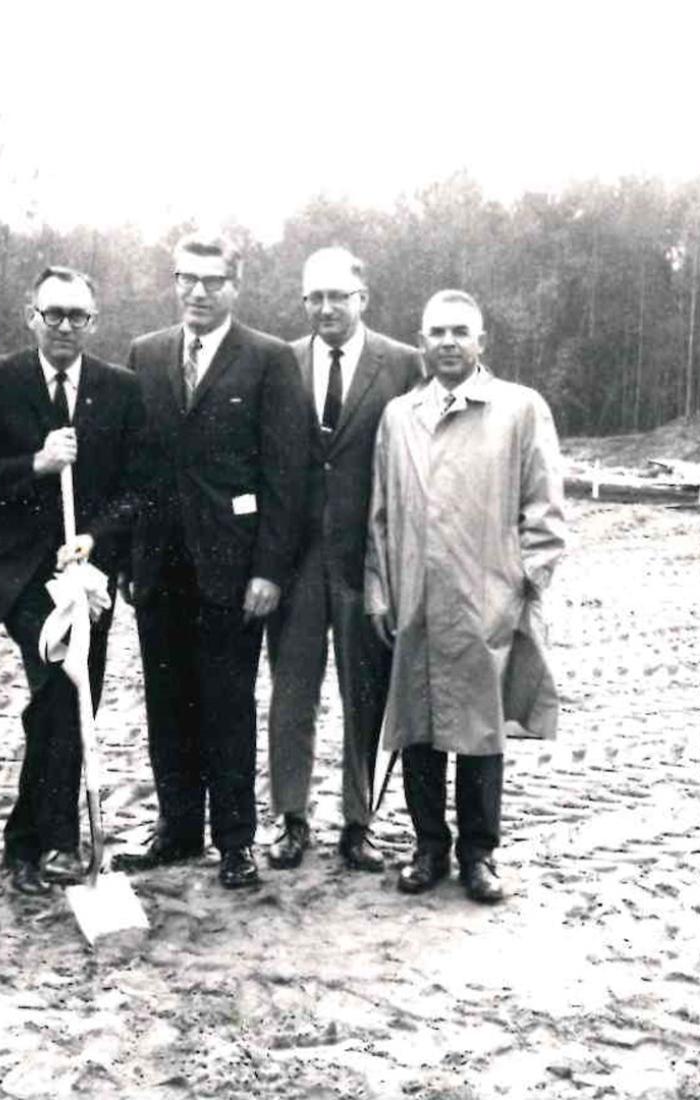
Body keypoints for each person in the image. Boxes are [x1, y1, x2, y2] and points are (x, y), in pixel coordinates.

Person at [0, 266, 144, 896]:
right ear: (31, 315)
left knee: (71, 700)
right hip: (23, 576)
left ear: (94, 322)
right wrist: (36, 463)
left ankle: (24, 838)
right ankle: (56, 841)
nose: (64, 326)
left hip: (89, 573)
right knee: (63, 686)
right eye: (52, 314)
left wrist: (96, 540)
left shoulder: (119, 390)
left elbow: (136, 491)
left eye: (77, 316)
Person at [120, 231, 310, 890]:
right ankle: (177, 830)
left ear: (236, 285)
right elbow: (133, 469)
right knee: (167, 702)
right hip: (158, 567)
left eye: (212, 281)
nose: (198, 292)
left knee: (228, 705)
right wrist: (123, 557)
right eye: (186, 278)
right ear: (174, 282)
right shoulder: (144, 355)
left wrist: (269, 571)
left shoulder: (270, 359)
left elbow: (287, 478)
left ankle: (234, 841)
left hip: (235, 573)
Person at [365, 289, 566, 903]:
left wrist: (522, 583)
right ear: (420, 341)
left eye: (460, 332)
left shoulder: (519, 409)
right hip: (415, 596)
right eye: (436, 333)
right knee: (417, 725)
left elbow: (545, 509)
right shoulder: (400, 416)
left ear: (482, 341)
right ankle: (429, 847)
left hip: (487, 598)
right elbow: (379, 514)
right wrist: (380, 589)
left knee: (481, 731)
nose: (447, 342)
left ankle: (480, 854)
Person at [265, 247, 422, 872]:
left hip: (368, 563)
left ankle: (360, 824)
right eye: (314, 298)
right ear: (304, 302)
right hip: (297, 561)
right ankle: (291, 820)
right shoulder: (282, 362)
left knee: (367, 697)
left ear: (363, 297)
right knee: (291, 694)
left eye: (338, 296)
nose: (326, 308)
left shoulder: (404, 365)